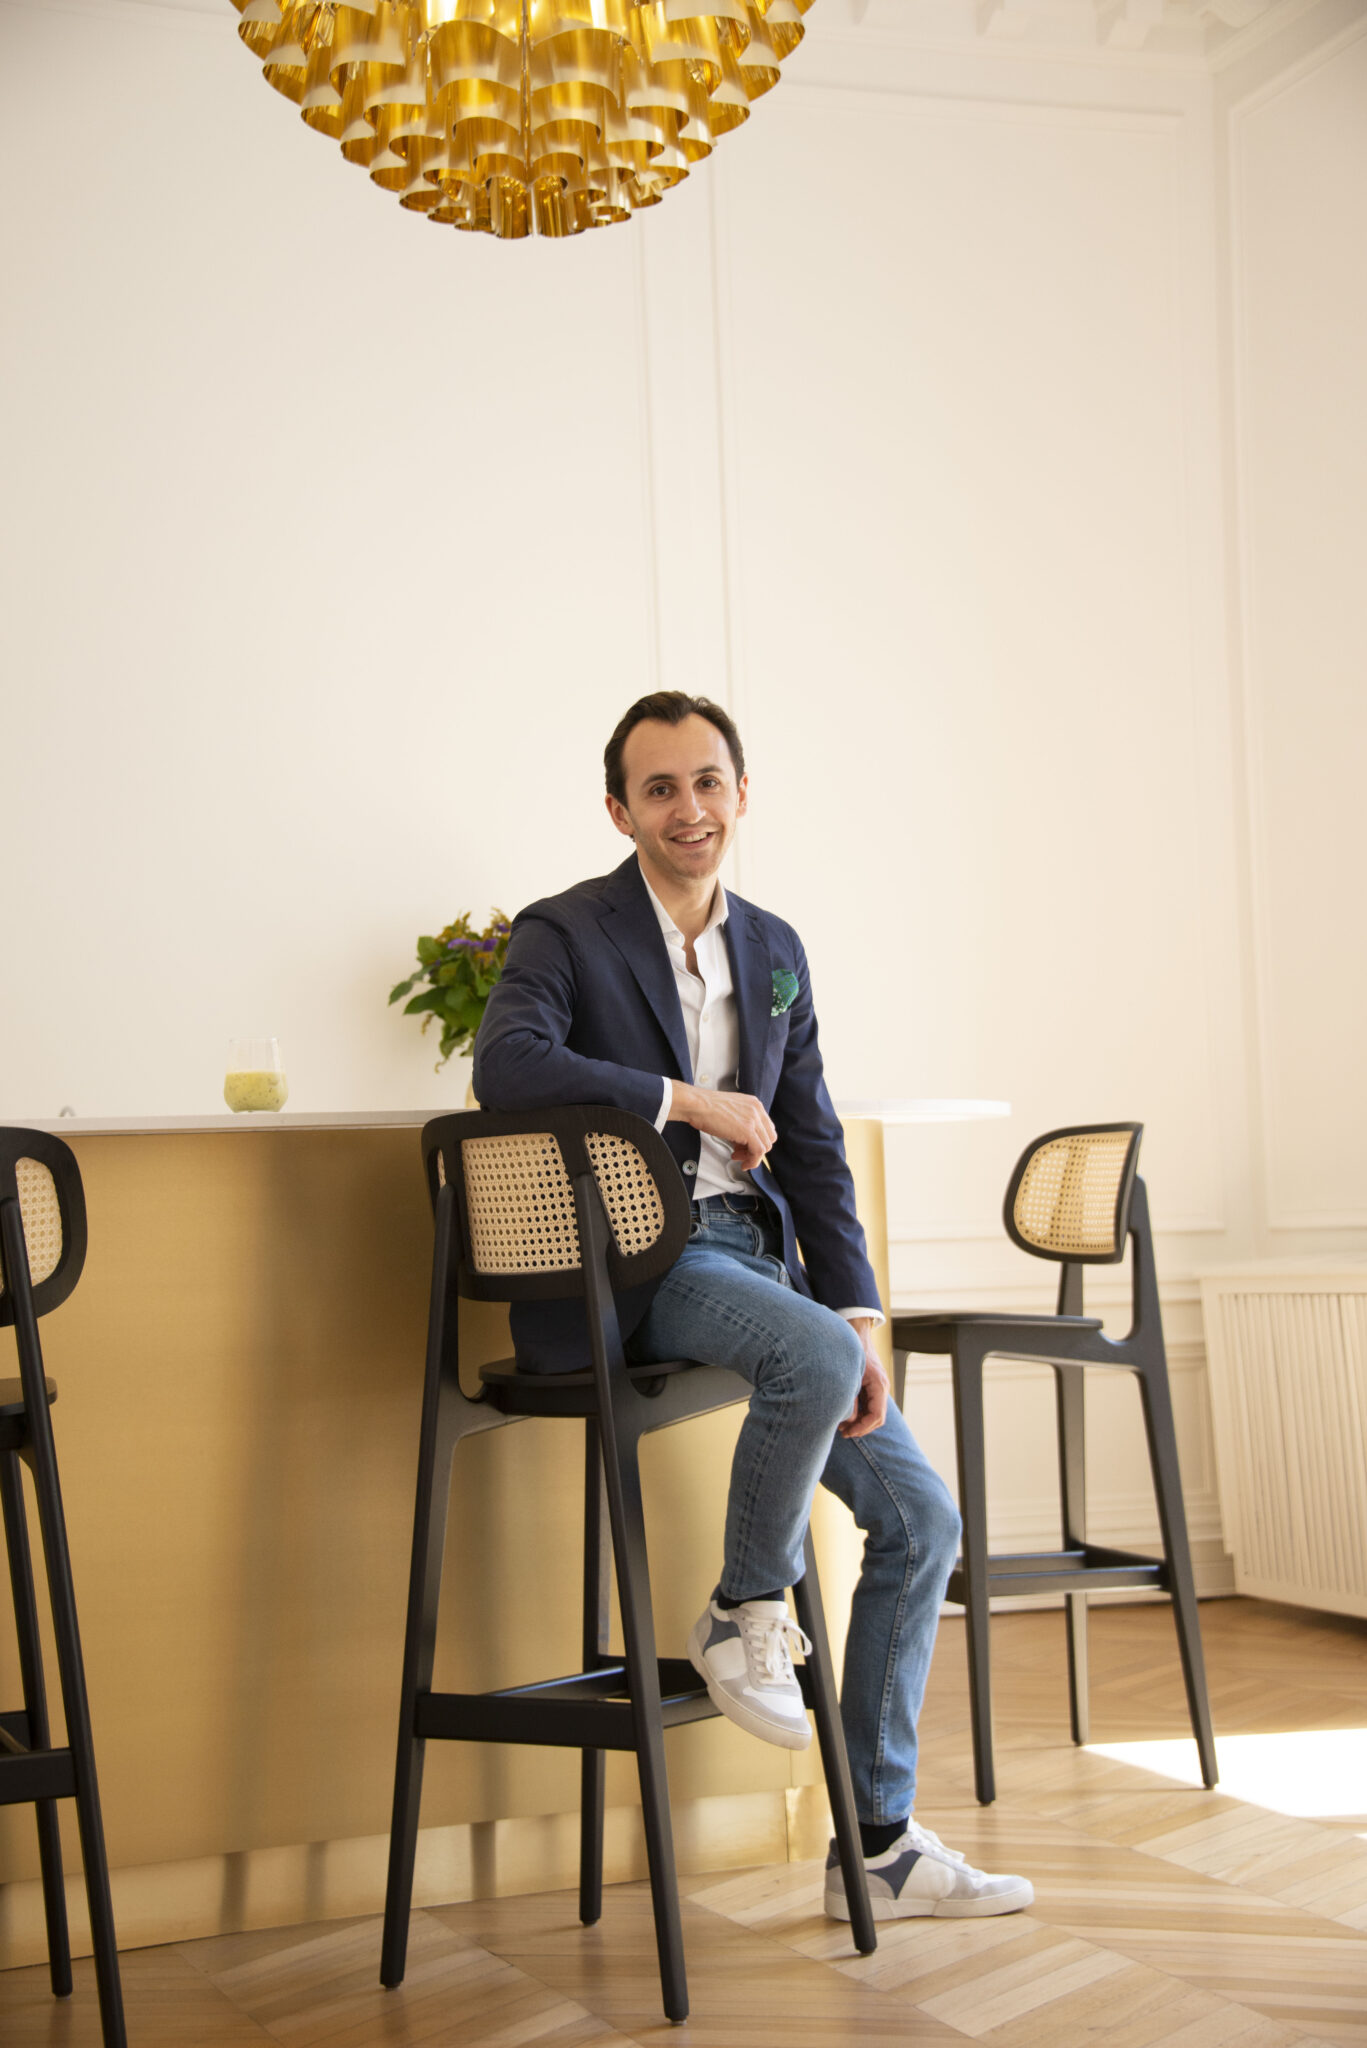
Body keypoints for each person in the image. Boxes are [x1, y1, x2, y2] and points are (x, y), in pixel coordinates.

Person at [473, 691, 1033, 1922]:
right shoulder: (564, 929)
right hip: (643, 1259)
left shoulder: (774, 944)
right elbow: (505, 1063)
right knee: (811, 1358)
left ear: (740, 792)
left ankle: (875, 1844)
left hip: (760, 1263)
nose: (689, 808)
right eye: (659, 788)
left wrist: (859, 1317)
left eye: (708, 781)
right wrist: (687, 1100)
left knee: (921, 1521)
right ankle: (741, 1609)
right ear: (618, 809)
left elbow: (814, 1141)